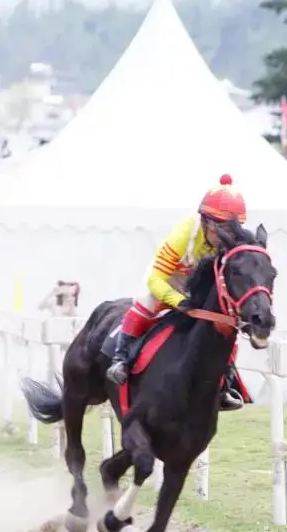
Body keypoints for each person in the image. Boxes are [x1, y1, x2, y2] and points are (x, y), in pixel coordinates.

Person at [105, 174, 247, 412]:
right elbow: (155, 279)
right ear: (206, 221)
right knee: (144, 302)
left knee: (227, 323)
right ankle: (121, 359)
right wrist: (178, 301)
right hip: (168, 280)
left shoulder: (231, 241)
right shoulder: (185, 232)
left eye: (232, 228)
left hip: (199, 287)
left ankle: (227, 380)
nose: (227, 235)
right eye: (221, 227)